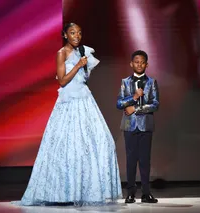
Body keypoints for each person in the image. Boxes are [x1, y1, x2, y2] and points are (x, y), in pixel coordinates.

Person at [14, 23, 122, 206]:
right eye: (72, 33)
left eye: (79, 33)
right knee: (67, 147)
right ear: (65, 35)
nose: (77, 36)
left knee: (102, 142)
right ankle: (63, 193)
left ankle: (90, 191)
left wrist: (83, 66)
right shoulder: (61, 53)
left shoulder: (83, 52)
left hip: (85, 100)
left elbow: (84, 78)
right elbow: (62, 80)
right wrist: (78, 65)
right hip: (69, 102)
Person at [116, 50, 159, 204]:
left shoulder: (151, 82)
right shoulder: (125, 82)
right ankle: (130, 193)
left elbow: (155, 104)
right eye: (136, 61)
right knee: (131, 160)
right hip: (129, 125)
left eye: (142, 62)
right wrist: (133, 98)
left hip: (145, 125)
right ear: (131, 63)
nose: (139, 64)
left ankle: (146, 193)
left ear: (146, 64)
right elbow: (119, 103)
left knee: (145, 160)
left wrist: (136, 109)